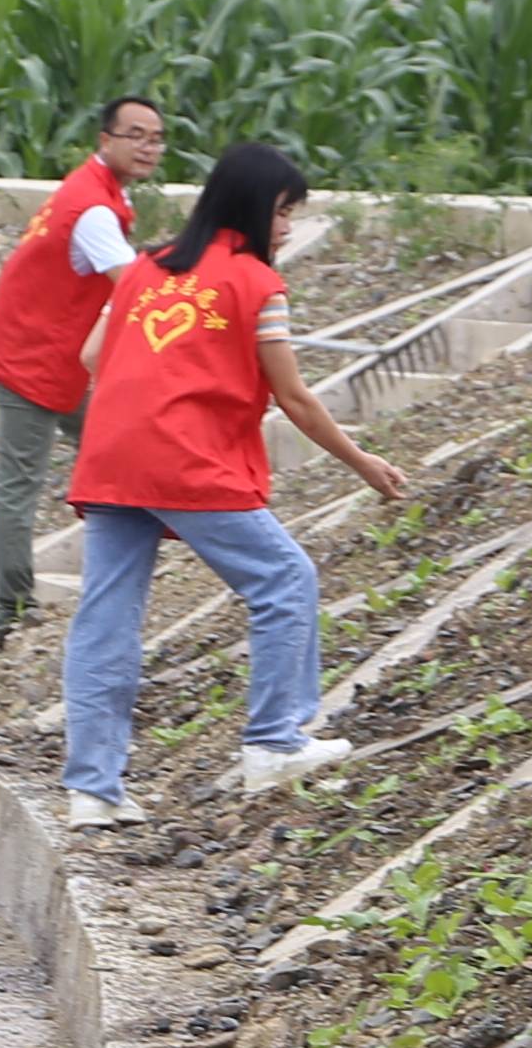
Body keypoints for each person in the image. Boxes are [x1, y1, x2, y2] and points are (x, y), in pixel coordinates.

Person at [57, 141, 408, 832]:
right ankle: (274, 741)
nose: (287, 228)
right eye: (283, 212)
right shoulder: (255, 284)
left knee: (105, 621)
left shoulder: (146, 267)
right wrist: (364, 464)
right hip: (185, 459)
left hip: (112, 457)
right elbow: (296, 399)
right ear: (252, 207)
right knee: (285, 580)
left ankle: (93, 790)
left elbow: (93, 355)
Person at [0, 95, 164, 644]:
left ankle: (134, 540)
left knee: (111, 444)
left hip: (57, 355)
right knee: (19, 484)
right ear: (106, 140)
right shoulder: (94, 210)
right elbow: (133, 288)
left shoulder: (93, 192)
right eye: (136, 135)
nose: (148, 146)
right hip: (28, 357)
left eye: (155, 137)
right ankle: (11, 612)